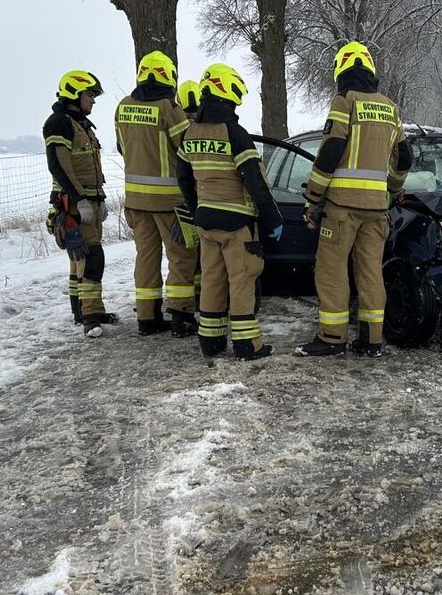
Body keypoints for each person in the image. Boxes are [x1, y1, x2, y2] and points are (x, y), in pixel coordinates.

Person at [295, 41, 412, 357]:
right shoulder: (390, 108)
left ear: (341, 71)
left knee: (331, 270)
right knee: (370, 271)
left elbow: (331, 150)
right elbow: (405, 157)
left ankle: (332, 338)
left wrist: (313, 197)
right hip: (376, 211)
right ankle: (371, 339)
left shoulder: (345, 101)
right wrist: (392, 189)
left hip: (342, 208)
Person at [175, 63, 283, 361]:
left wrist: (197, 209)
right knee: (242, 281)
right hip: (237, 224)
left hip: (206, 222)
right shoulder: (234, 133)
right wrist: (273, 218)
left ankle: (210, 343)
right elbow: (255, 181)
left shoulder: (190, 133)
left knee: (211, 280)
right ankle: (248, 346)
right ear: (228, 92)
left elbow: (183, 177)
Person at [114, 51, 199, 337]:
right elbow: (188, 149)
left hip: (136, 202)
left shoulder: (123, 107)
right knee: (181, 256)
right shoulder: (168, 108)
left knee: (146, 257)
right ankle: (181, 316)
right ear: (168, 76)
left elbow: (122, 148)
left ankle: (147, 318)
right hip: (170, 202)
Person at [43, 70, 115, 338]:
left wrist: (100, 199)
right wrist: (79, 199)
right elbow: (58, 166)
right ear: (75, 94)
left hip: (91, 201)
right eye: (90, 95)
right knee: (90, 257)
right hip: (75, 204)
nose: (93, 101)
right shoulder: (59, 123)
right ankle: (91, 316)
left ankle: (82, 311)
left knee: (78, 261)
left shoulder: (81, 124)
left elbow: (90, 166)